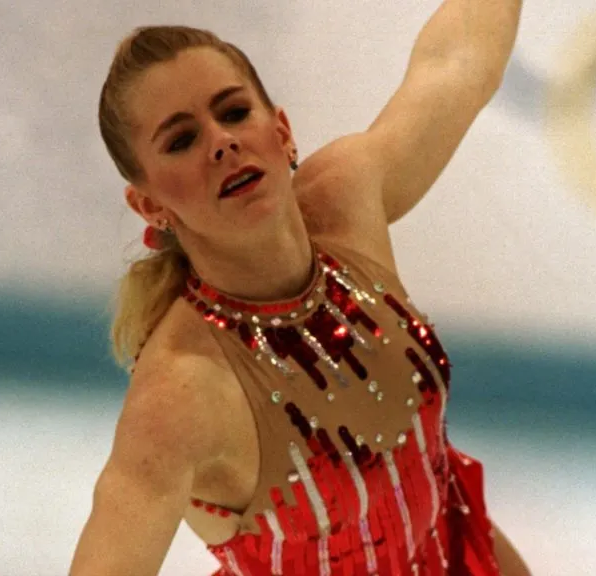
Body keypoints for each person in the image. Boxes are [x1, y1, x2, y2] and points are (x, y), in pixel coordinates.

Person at [71, 2, 530, 574]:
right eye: (182, 140)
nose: (222, 142)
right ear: (149, 205)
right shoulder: (180, 394)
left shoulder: (345, 200)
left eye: (234, 112)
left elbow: (456, 64)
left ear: (282, 132)